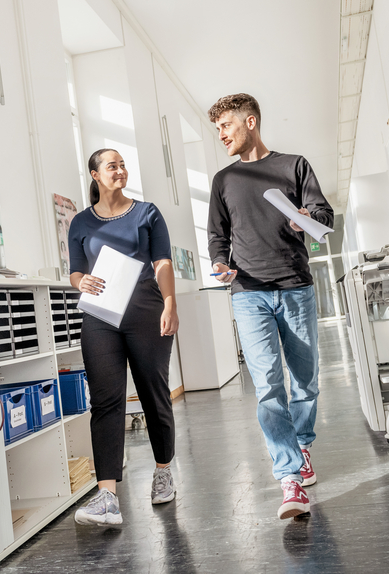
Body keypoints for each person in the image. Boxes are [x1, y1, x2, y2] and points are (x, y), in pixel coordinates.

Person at [206, 93, 334, 520]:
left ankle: (302, 445)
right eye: (218, 129)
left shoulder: (293, 165)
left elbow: (323, 213)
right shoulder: (223, 180)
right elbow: (217, 237)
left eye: (226, 125)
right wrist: (221, 264)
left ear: (251, 121)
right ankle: (289, 478)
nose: (221, 134)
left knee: (305, 379)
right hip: (248, 292)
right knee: (268, 387)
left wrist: (306, 217)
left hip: (295, 286)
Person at [68, 148, 179, 525]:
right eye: (112, 165)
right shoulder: (81, 223)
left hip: (147, 311)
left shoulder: (147, 213)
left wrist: (170, 303)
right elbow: (75, 272)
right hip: (100, 315)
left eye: (123, 164)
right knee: (105, 402)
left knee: (153, 393)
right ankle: (107, 497)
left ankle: (163, 471)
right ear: (95, 175)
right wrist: (80, 280)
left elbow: (162, 261)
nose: (121, 170)